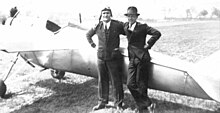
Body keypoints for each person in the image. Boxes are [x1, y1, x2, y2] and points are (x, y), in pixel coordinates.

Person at [123, 6, 161, 113]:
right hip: (132, 58)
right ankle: (148, 103)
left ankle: (142, 108)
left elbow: (157, 33)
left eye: (133, 16)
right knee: (130, 84)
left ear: (136, 16)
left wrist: (148, 44)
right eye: (129, 16)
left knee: (142, 84)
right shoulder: (125, 26)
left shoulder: (142, 27)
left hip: (142, 58)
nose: (130, 18)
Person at [86, 7, 125, 111]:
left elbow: (128, 32)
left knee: (116, 81)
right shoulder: (98, 26)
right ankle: (102, 102)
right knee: (102, 80)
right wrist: (93, 45)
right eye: (103, 13)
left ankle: (119, 104)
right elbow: (88, 35)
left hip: (114, 58)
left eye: (107, 13)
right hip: (101, 58)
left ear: (110, 14)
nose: (105, 15)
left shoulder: (117, 25)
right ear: (101, 15)